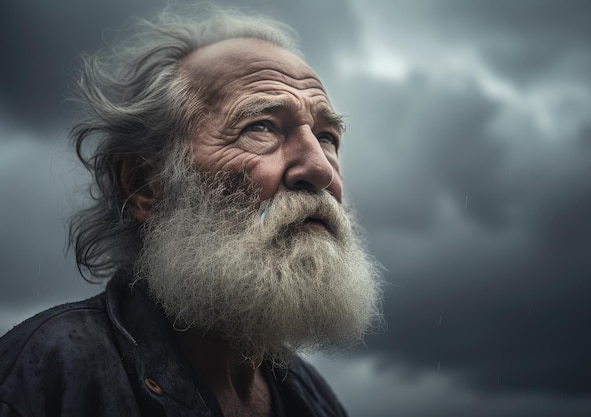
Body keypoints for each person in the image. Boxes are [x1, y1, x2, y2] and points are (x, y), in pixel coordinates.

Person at [0, 6, 383, 417]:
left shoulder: (315, 399)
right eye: (261, 126)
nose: (321, 169)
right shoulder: (45, 371)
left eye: (327, 137)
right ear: (145, 185)